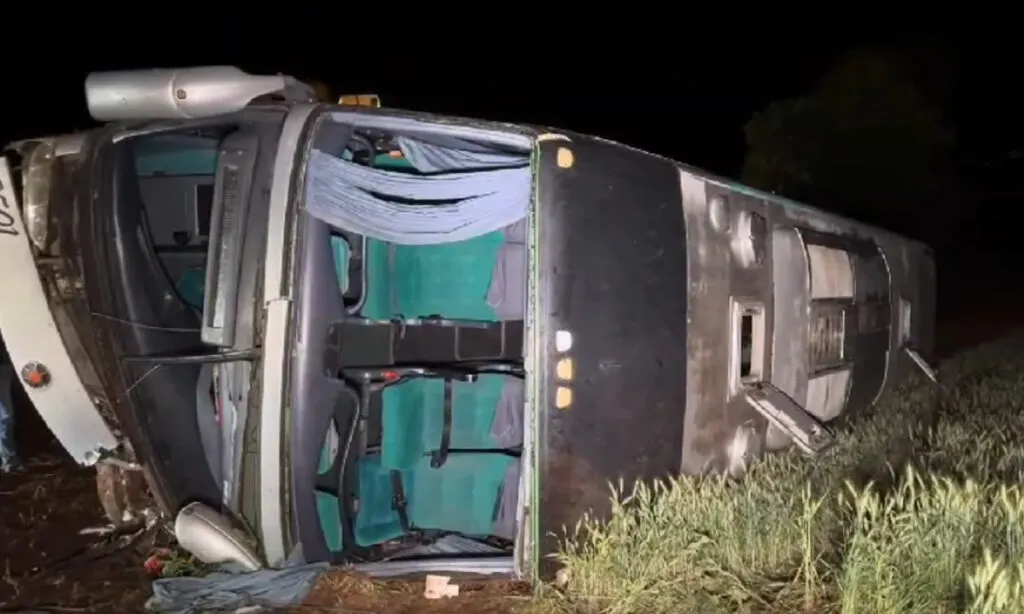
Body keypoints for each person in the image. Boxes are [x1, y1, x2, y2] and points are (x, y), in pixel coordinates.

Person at [0, 337, 19, 473]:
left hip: (5, 367)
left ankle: (9, 460)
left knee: (5, 417)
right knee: (5, 417)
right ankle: (9, 461)